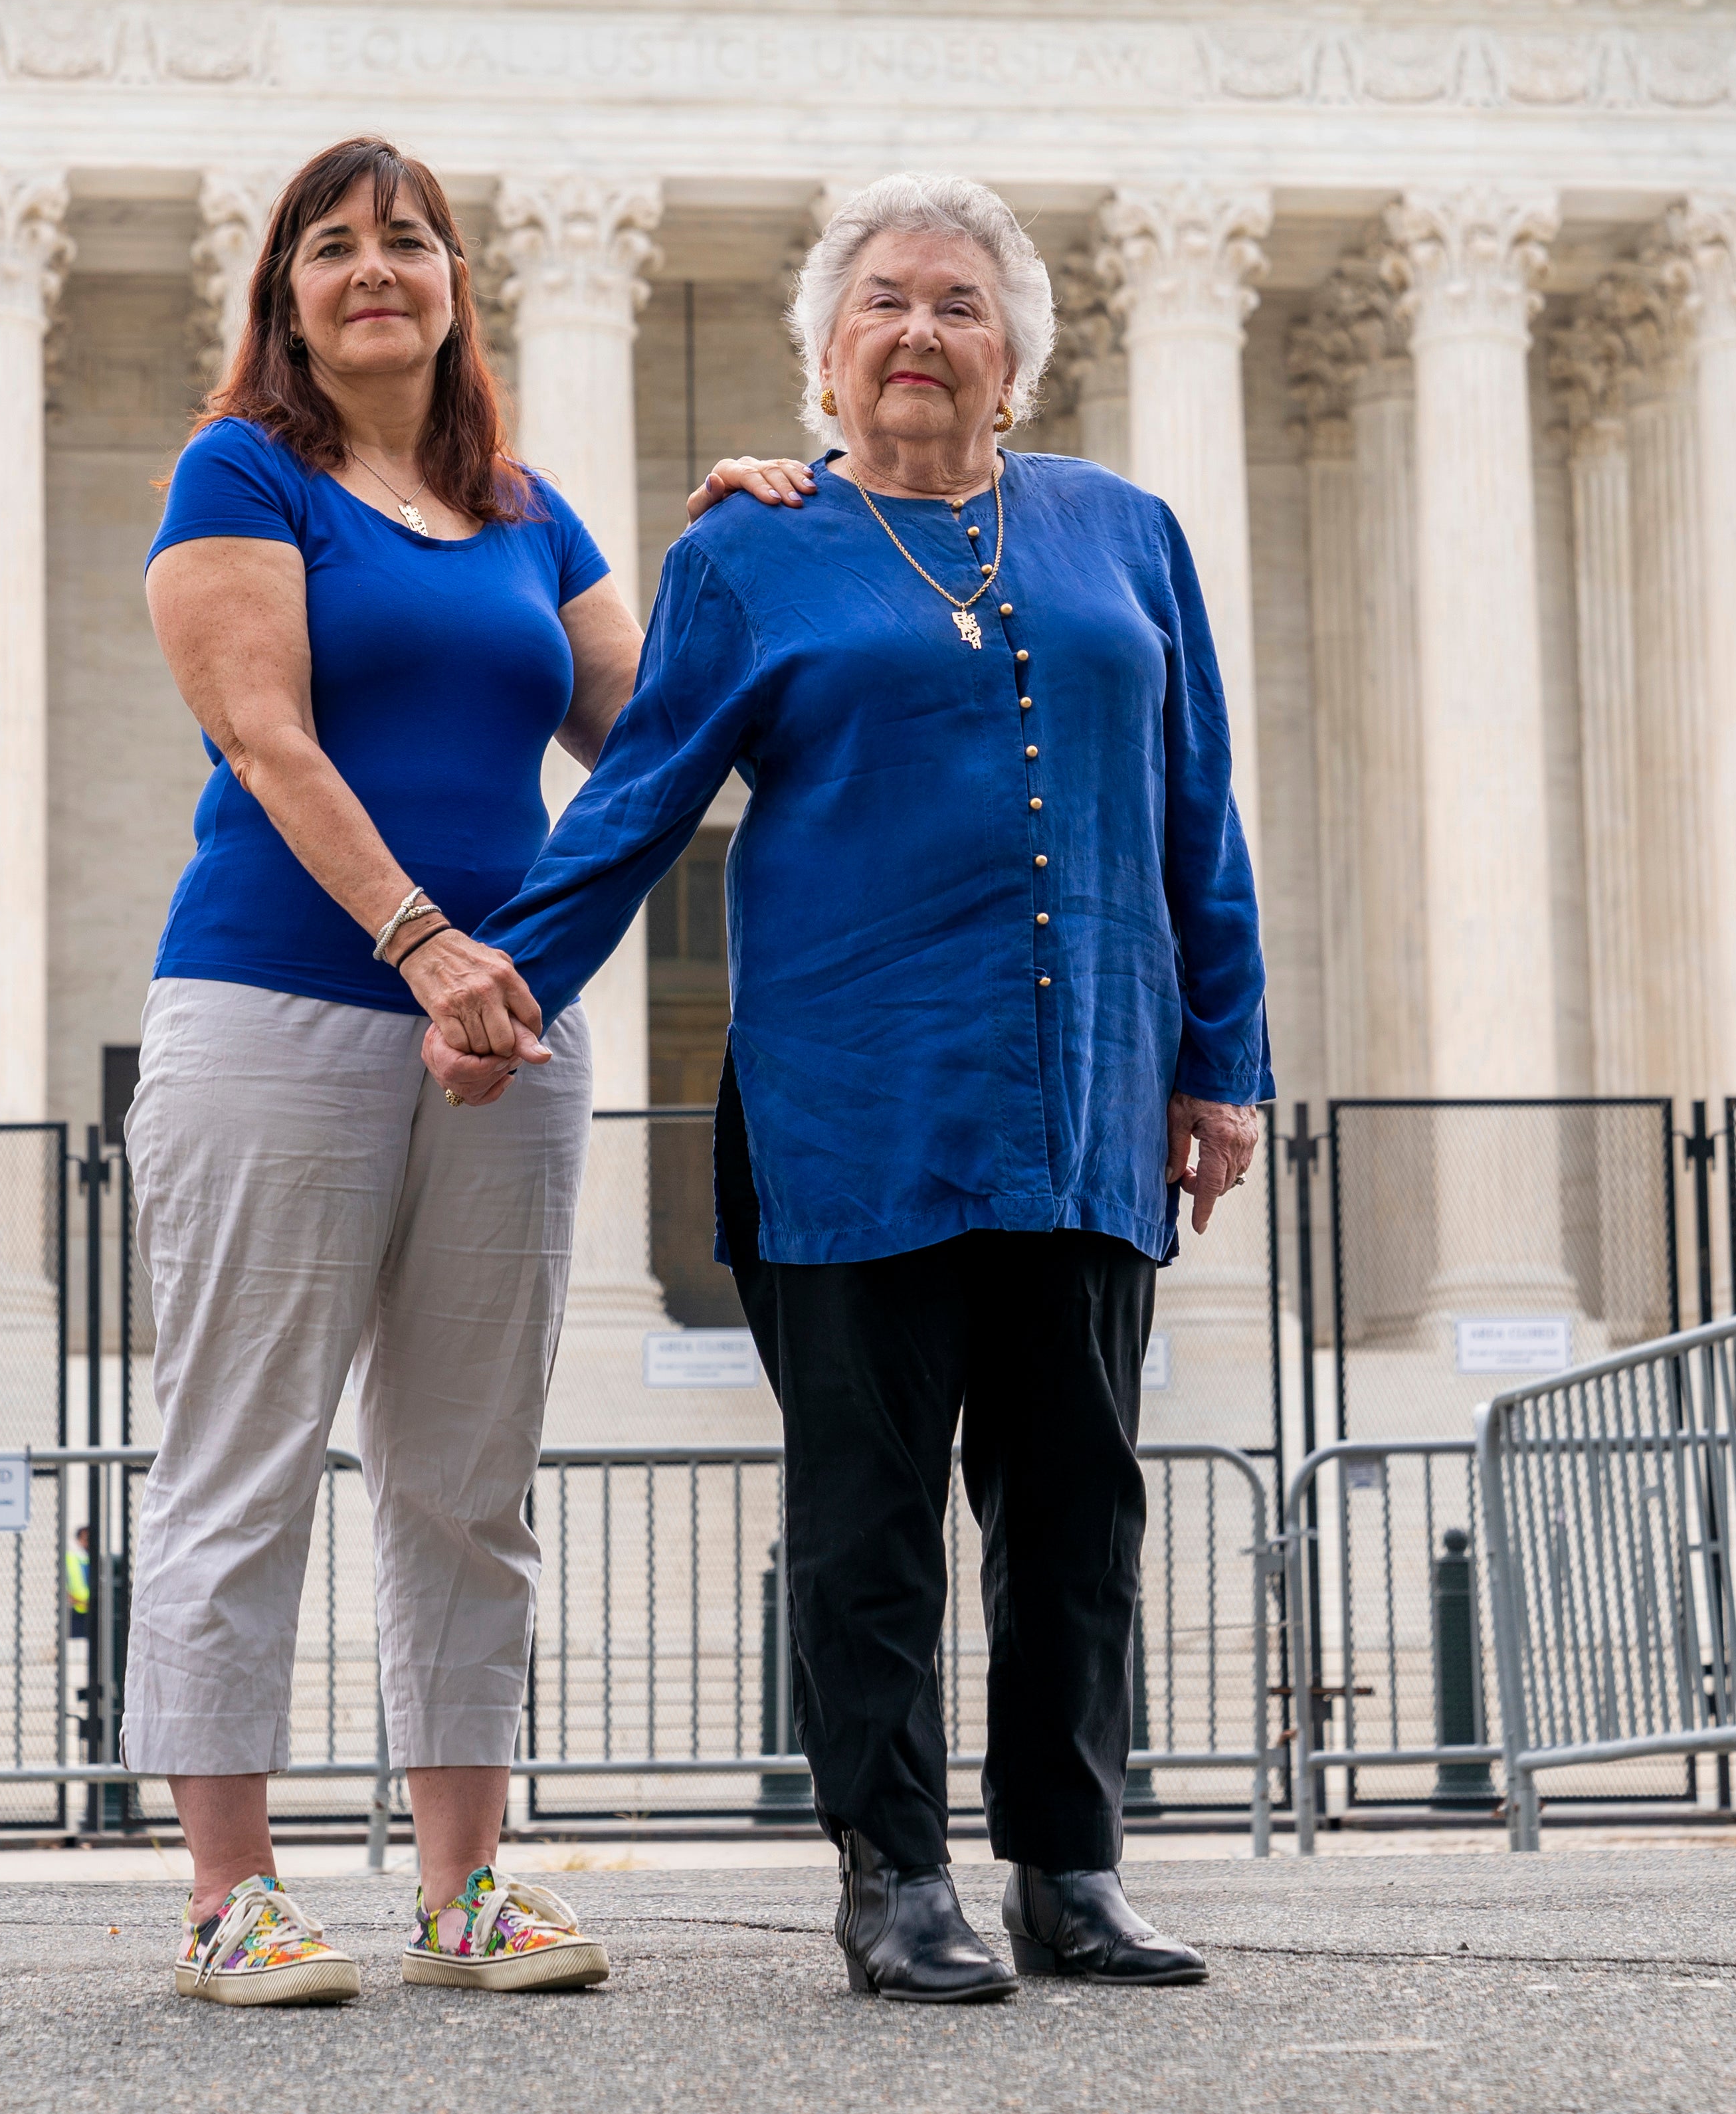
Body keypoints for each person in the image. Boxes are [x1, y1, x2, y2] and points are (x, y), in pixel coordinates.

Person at [429, 174, 1266, 2004]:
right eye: (881, 301)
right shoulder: (752, 556)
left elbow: (1195, 810)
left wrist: (1222, 1062)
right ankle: (893, 1873)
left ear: (1014, 357)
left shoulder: (1124, 534)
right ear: (823, 352)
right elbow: (641, 794)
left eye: (958, 303)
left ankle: (1068, 1866)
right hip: (852, 1100)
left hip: (1083, 1092)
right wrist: (497, 983)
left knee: (1073, 1514)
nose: (918, 331)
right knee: (866, 1515)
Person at [133, 135, 700, 2006]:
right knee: (247, 1449)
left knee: (468, 1468)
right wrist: (423, 942)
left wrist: (774, 531)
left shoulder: (530, 513)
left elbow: (650, 725)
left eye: (407, 242)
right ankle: (234, 1890)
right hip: (286, 998)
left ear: (455, 282)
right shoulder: (243, 472)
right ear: (283, 295)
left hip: (502, 1036)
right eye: (332, 246)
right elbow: (268, 736)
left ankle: (464, 1882)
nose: (374, 268)